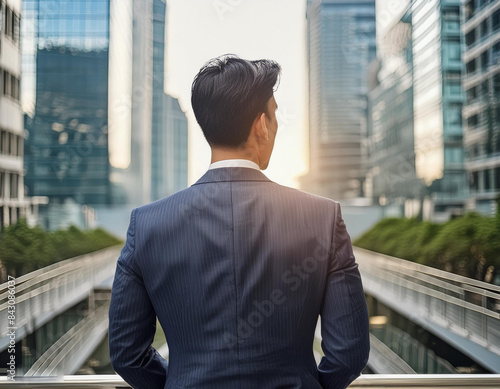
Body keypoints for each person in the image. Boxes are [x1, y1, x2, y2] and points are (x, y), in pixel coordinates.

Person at [108, 54, 370, 389]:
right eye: (274, 117)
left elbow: (127, 354)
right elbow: (349, 353)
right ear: (262, 124)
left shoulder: (146, 225)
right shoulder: (322, 216)